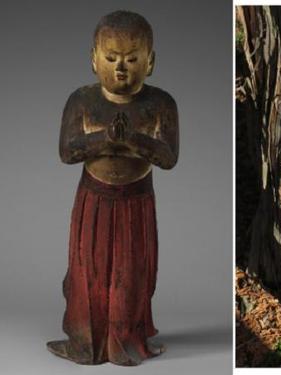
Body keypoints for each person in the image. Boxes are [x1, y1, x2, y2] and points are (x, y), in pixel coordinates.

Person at [46, 10, 178, 366]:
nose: (121, 68)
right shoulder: (82, 100)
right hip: (94, 199)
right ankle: (84, 342)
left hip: (137, 201)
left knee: (133, 274)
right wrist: (106, 138)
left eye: (132, 59)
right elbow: (67, 152)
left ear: (150, 62)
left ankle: (127, 342)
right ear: (93, 60)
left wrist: (132, 139)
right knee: (85, 271)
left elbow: (168, 158)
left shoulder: (160, 104)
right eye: (111, 58)